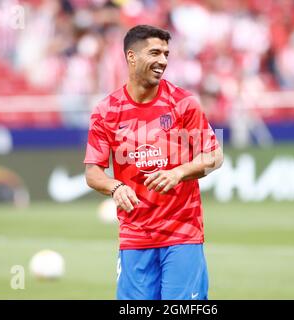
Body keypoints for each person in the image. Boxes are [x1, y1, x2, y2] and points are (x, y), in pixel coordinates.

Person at [84, 25, 223, 300]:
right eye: (155, 52)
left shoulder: (184, 104)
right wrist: (115, 188)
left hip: (182, 233)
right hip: (135, 237)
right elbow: (93, 172)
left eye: (166, 54)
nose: (163, 60)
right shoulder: (106, 111)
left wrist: (179, 172)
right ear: (131, 56)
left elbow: (214, 156)